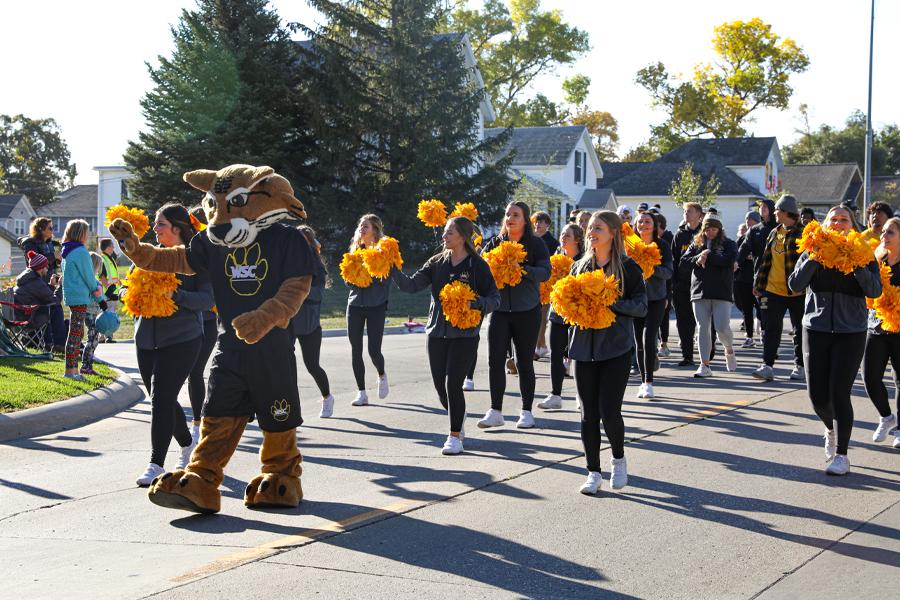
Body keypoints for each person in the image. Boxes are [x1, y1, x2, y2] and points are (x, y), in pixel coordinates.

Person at [788, 205, 882, 476]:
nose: (839, 223)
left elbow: (874, 290)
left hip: (850, 332)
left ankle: (842, 455)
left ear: (853, 225)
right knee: (817, 395)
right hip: (815, 329)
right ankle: (829, 428)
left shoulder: (864, 254)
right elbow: (795, 285)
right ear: (825, 224)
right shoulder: (812, 247)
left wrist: (855, 266)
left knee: (840, 392)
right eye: (834, 219)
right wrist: (815, 258)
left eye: (844, 219)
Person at [394, 217, 500, 453]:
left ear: (462, 236)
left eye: (449, 232)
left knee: (454, 384)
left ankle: (454, 437)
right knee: (441, 388)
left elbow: (495, 298)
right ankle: (457, 419)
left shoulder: (477, 266)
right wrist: (391, 267)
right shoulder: (437, 262)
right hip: (437, 333)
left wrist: (475, 303)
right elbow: (411, 285)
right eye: (444, 232)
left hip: (465, 334)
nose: (443, 236)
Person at [132, 203, 213, 486]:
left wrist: (175, 294)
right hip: (145, 340)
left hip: (183, 339)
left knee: (162, 398)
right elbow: (132, 285)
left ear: (177, 229)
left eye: (161, 224)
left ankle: (156, 463)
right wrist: (127, 291)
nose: (155, 229)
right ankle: (188, 443)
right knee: (160, 397)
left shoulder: (197, 260)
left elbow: (207, 300)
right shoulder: (146, 256)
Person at [571, 210, 648, 494]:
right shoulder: (578, 267)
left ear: (613, 233)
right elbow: (564, 307)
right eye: (590, 228)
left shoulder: (628, 268)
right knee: (587, 414)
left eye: (598, 228)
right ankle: (593, 471)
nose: (592, 232)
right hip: (583, 349)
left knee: (608, 411)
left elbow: (641, 307)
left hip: (615, 348)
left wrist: (610, 302)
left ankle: (618, 459)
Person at [477, 201, 551, 429]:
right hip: (499, 312)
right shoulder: (495, 243)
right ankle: (495, 410)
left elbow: (545, 273)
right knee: (495, 361)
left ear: (525, 220)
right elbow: (480, 267)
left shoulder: (536, 244)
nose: (510, 217)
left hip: (527, 312)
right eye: (507, 214)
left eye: (516, 214)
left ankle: (526, 411)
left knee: (524, 362)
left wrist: (522, 269)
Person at [751, 195, 805, 381]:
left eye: (776, 211)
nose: (774, 213)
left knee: (799, 329)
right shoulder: (775, 232)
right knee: (771, 328)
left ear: (785, 212)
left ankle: (800, 366)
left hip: (797, 291)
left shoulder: (803, 233)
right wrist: (758, 284)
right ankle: (767, 366)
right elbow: (766, 260)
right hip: (773, 290)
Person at [346, 214, 395, 406]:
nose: (361, 228)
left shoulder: (384, 251)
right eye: (360, 225)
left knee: (374, 350)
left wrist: (366, 279)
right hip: (355, 305)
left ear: (374, 230)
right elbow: (347, 277)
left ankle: (381, 375)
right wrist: (355, 280)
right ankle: (361, 392)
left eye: (365, 226)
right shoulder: (355, 251)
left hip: (376, 305)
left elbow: (385, 278)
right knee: (355, 350)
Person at [681, 214, 738, 377]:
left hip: (721, 291)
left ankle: (729, 349)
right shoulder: (696, 244)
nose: (710, 232)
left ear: (719, 230)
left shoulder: (729, 244)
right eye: (707, 229)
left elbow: (728, 260)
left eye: (714, 229)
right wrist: (699, 257)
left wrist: (708, 255)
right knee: (702, 328)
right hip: (699, 291)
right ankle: (704, 365)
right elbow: (684, 263)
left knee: (721, 327)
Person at [538, 223, 584, 410]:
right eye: (563, 234)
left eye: (568, 235)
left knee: (577, 355)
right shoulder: (555, 259)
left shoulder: (585, 261)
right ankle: (555, 394)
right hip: (557, 313)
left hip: (579, 314)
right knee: (556, 354)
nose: (563, 237)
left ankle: (581, 395)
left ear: (577, 240)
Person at [863, 216, 900, 448]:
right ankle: (887, 417)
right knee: (869, 377)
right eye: (884, 232)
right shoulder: (876, 260)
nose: (884, 236)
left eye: (891, 233)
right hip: (876, 326)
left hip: (899, 328)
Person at [293, 225, 335, 419]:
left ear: (309, 243)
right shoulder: (287, 262)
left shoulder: (316, 267)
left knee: (312, 365)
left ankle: (327, 397)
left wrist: (297, 288)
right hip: (288, 322)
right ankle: (289, 406)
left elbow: (317, 295)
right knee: (284, 364)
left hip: (309, 325)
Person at [184, 206, 218, 443]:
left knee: (196, 371)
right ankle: (200, 419)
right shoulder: (183, 252)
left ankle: (198, 423)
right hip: (186, 322)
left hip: (209, 321)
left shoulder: (215, 252)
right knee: (192, 372)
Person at [633, 211, 673, 398]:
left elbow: (668, 272)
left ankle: (649, 382)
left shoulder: (662, 245)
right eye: (640, 221)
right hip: (635, 298)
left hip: (656, 298)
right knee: (638, 341)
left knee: (648, 338)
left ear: (654, 225)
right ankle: (642, 380)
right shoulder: (630, 245)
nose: (644, 224)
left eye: (648, 221)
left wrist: (650, 267)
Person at [60, 219, 103, 381]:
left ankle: (73, 370)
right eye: (87, 232)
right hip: (80, 296)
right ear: (80, 233)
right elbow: (89, 277)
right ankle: (71, 372)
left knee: (76, 332)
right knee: (76, 334)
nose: (88, 235)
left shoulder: (67, 251)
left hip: (71, 295)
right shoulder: (81, 251)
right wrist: (98, 294)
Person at [12, 250, 67, 351]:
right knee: (56, 308)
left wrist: (50, 286)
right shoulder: (35, 282)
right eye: (46, 266)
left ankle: (51, 342)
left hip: (19, 317)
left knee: (51, 307)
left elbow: (43, 297)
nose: (47, 269)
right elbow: (54, 300)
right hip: (29, 319)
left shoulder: (27, 278)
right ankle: (59, 344)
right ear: (40, 268)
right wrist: (60, 286)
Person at [671, 202, 704, 366]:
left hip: (701, 285)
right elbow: (674, 260)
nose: (686, 214)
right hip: (682, 286)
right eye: (684, 211)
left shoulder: (705, 233)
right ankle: (687, 356)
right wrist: (674, 284)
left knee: (704, 321)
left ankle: (707, 354)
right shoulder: (680, 235)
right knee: (684, 322)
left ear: (699, 214)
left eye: (689, 211)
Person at [532, 210, 557, 359]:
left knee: (543, 316)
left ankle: (538, 347)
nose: (538, 224)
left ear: (547, 224)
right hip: (533, 282)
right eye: (536, 221)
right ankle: (541, 346)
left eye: (541, 221)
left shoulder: (552, 243)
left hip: (547, 282)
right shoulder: (530, 239)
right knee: (536, 316)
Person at [734, 211, 761, 347]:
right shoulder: (741, 239)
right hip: (743, 279)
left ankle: (764, 333)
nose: (748, 222)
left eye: (751, 220)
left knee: (762, 308)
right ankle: (749, 337)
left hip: (758, 279)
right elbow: (736, 257)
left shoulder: (762, 237)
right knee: (746, 309)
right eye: (746, 219)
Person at [79, 253, 107, 376]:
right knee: (92, 339)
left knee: (94, 338)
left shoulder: (88, 279)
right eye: (99, 265)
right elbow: (96, 295)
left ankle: (88, 365)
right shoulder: (92, 281)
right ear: (95, 265)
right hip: (90, 312)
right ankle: (86, 365)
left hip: (91, 312)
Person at [656, 212, 675, 357]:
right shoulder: (637, 242)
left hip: (663, 286)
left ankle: (664, 343)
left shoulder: (666, 242)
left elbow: (669, 271)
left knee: (663, 316)